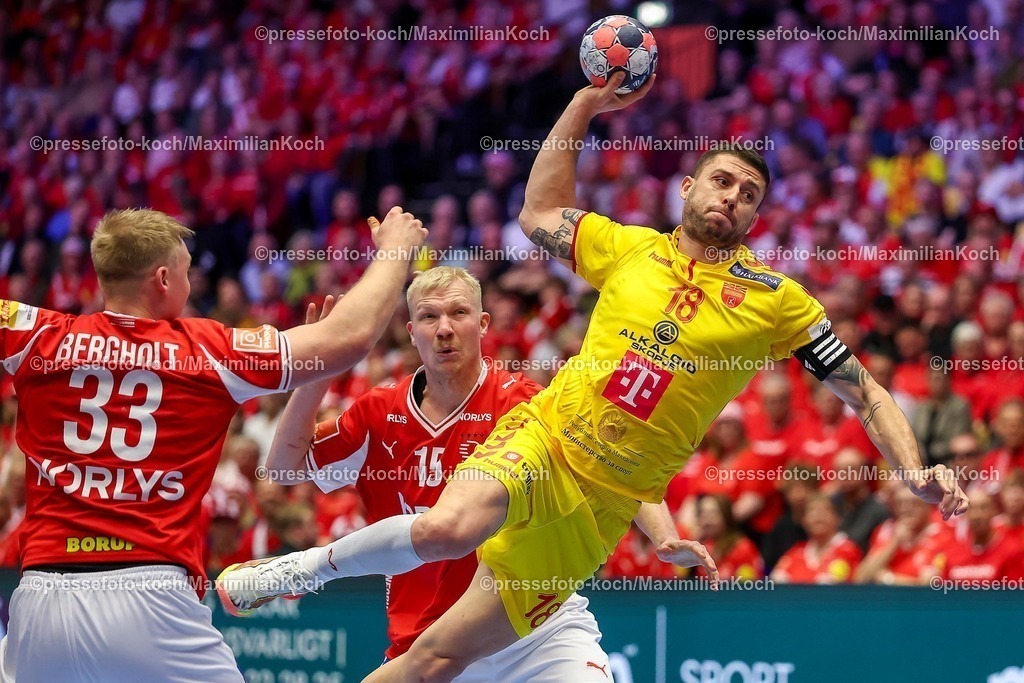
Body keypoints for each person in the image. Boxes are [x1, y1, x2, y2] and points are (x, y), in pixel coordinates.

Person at [219, 73, 968, 683]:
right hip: (546, 437)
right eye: (722, 180)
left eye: (749, 193)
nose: (732, 197)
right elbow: (538, 209)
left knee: (429, 664)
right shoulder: (628, 248)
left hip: (599, 509)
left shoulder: (780, 302)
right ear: (688, 187)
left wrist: (916, 470)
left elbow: (865, 390)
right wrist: (583, 104)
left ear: (756, 217)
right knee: (449, 528)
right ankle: (301, 569)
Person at [0, 206, 426, 682]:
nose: (192, 284)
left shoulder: (36, 332)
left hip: (39, 598)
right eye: (187, 272)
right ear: (163, 278)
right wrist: (395, 249)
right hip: (148, 593)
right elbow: (350, 336)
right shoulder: (206, 350)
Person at [230, 266, 706, 681]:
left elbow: (609, 468)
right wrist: (319, 370)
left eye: (458, 314)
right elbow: (284, 469)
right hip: (426, 640)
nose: (444, 329)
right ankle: (297, 571)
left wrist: (664, 537)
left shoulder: (521, 401)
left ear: (482, 325)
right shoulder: (379, 411)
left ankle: (304, 570)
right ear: (411, 330)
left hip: (533, 627)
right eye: (429, 317)